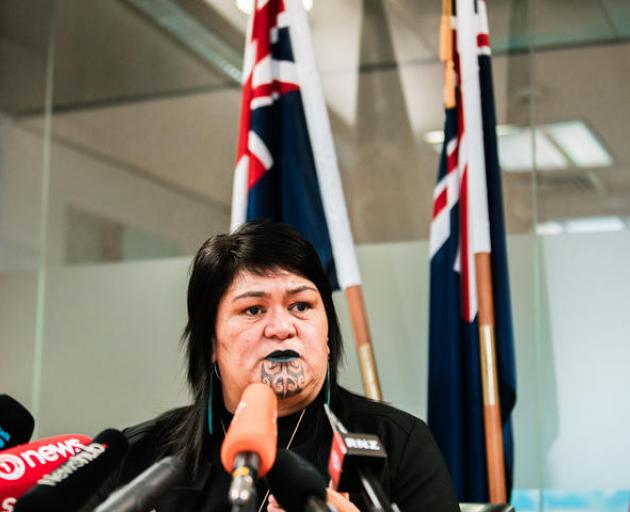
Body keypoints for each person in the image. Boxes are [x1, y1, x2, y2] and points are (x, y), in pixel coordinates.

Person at [90, 221, 459, 511]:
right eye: (253, 310)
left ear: (327, 332)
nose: (283, 328)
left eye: (301, 306)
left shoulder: (397, 443)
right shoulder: (140, 456)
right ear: (209, 344)